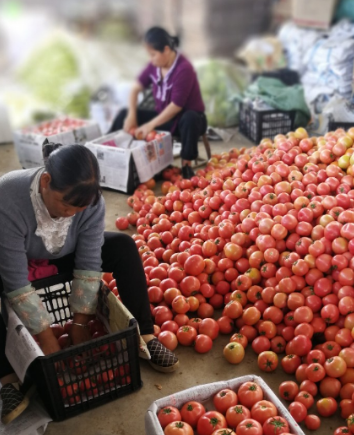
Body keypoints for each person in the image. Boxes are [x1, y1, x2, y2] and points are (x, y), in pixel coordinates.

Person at [0, 143, 178, 425]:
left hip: (66, 255)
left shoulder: (92, 203)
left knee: (123, 246)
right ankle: (7, 378)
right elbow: (15, 280)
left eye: (79, 208)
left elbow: (88, 263)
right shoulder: (8, 196)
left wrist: (80, 325)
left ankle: (145, 336)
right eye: (66, 205)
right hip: (20, 257)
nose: (71, 214)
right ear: (46, 182)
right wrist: (49, 343)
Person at [110, 27, 207, 180]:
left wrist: (150, 125)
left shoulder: (184, 69)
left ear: (166, 50)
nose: (151, 59)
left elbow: (176, 106)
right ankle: (106, 152)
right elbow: (135, 88)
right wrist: (131, 115)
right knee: (123, 113)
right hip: (165, 118)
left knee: (190, 118)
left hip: (188, 121)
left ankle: (186, 165)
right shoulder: (154, 67)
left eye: (153, 54)